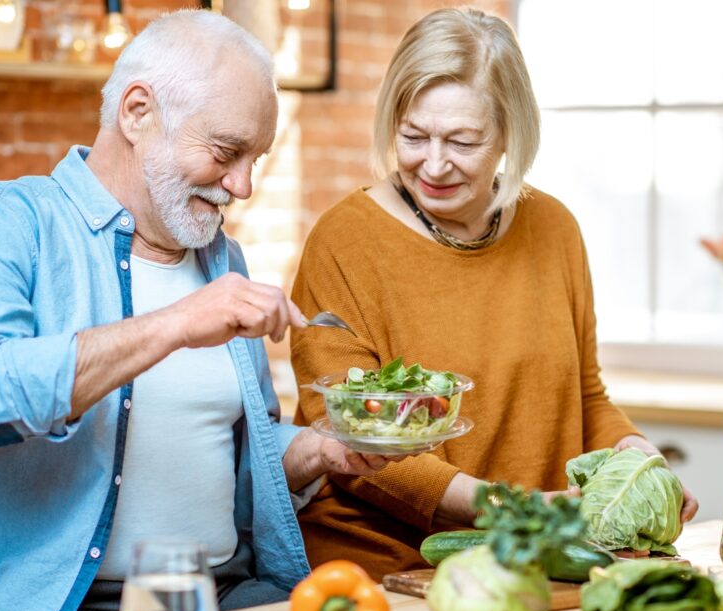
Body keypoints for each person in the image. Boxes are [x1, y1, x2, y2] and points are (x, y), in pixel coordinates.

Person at [0, 10, 392, 611]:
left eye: (255, 160)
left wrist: (320, 450)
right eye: (225, 153)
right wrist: (173, 325)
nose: (242, 186)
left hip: (230, 601)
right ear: (137, 112)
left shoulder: (223, 261)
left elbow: (226, 459)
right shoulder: (9, 220)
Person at [289, 7, 698, 581]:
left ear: (510, 133)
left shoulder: (554, 228)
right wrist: (511, 509)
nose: (432, 164)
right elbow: (348, 438)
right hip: (389, 568)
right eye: (413, 136)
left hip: (536, 558)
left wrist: (639, 461)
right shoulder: (344, 241)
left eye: (463, 140)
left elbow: (585, 395)